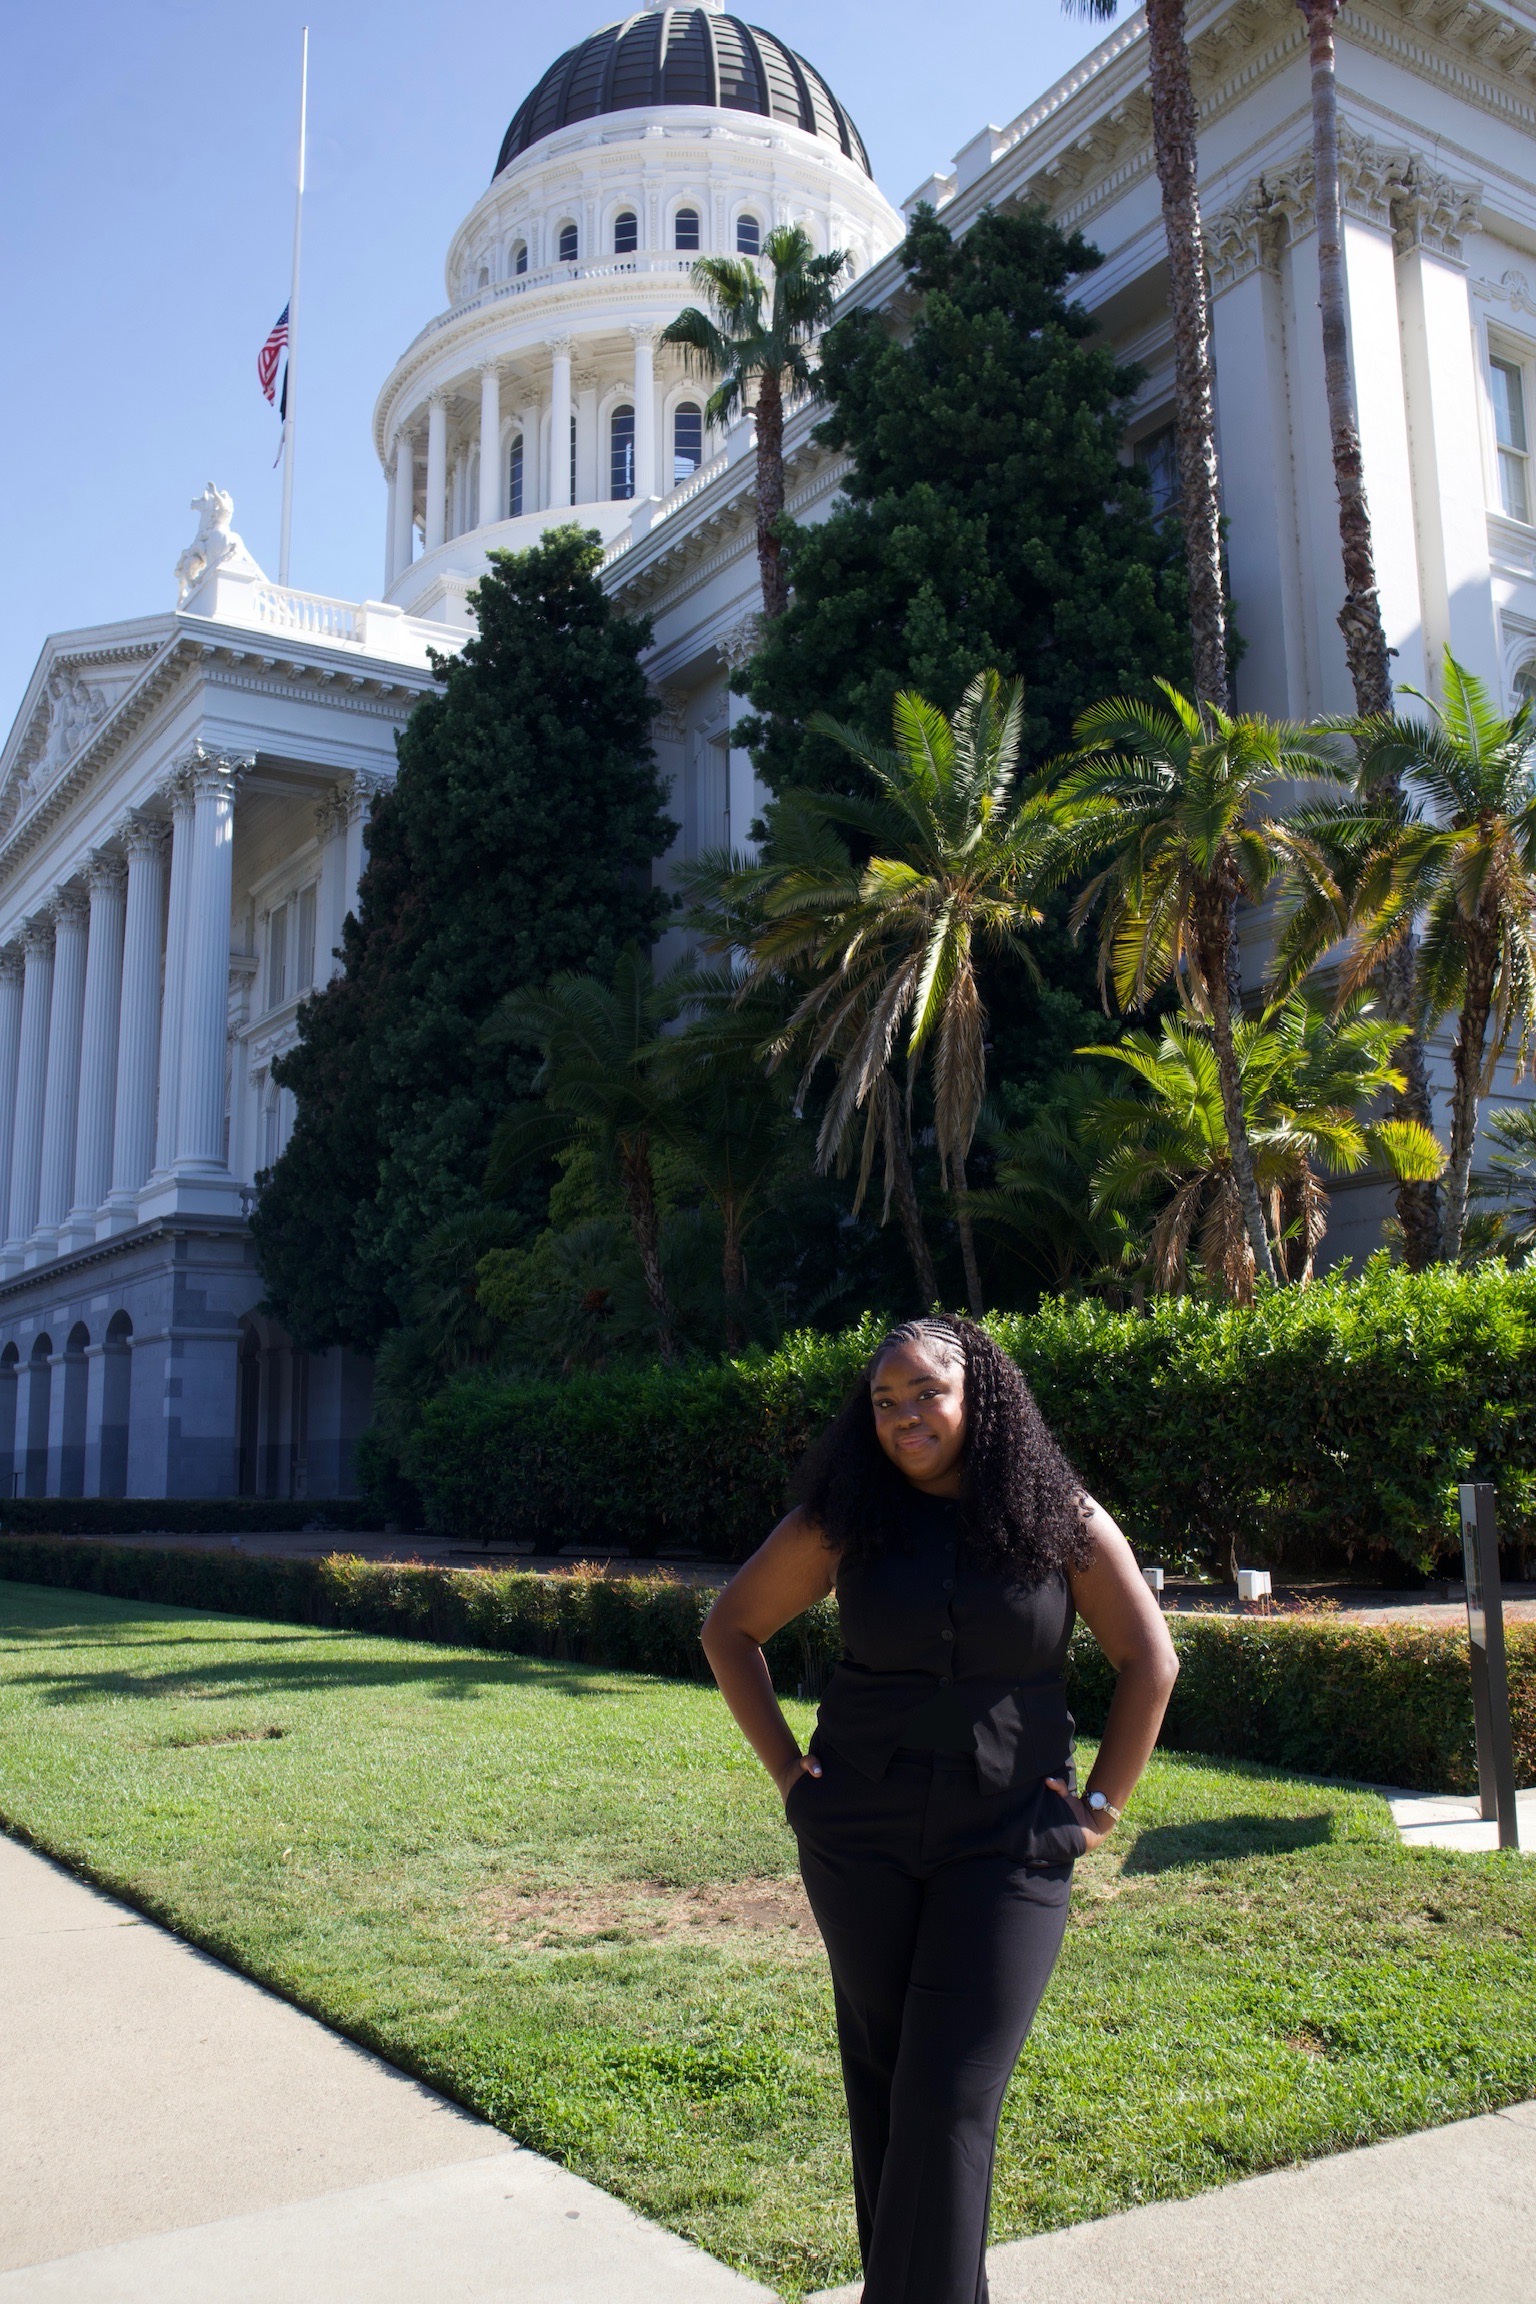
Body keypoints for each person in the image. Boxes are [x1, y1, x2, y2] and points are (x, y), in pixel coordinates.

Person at [701, 1315, 1179, 2304]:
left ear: (983, 1401)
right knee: (886, 2083)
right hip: (860, 1836)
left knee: (948, 2094)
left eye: (927, 1394)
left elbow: (1150, 1662)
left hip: (1007, 1839)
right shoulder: (846, 1519)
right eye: (885, 1400)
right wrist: (793, 1779)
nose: (904, 1417)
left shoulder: (1062, 1521)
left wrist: (1097, 1810)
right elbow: (731, 1629)